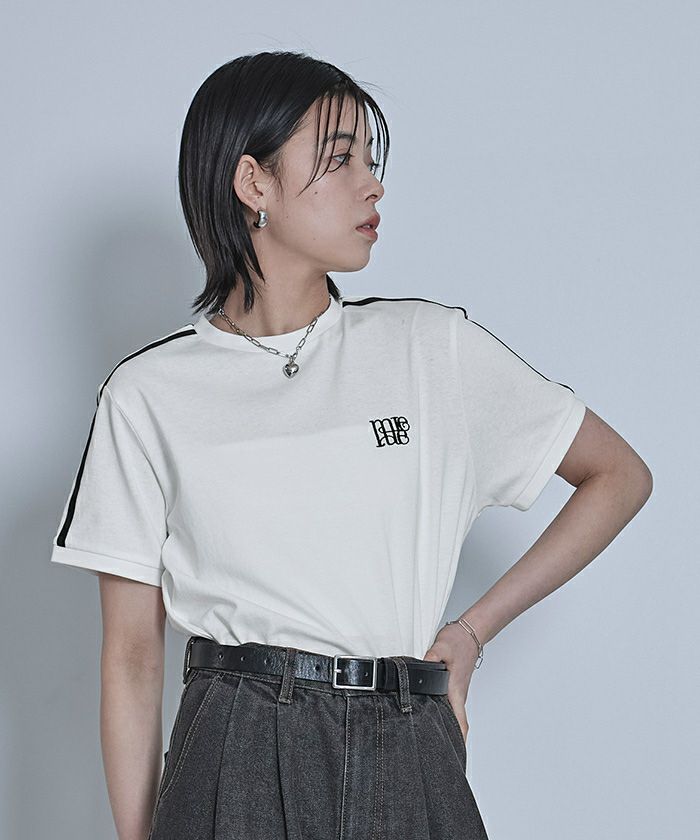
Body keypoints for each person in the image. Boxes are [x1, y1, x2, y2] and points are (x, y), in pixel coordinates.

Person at [49, 50, 653, 840]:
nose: (373, 185)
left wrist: (471, 633)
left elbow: (618, 475)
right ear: (253, 183)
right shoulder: (148, 395)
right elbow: (132, 656)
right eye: (339, 159)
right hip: (234, 746)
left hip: (407, 738)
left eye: (372, 159)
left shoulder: (429, 349)